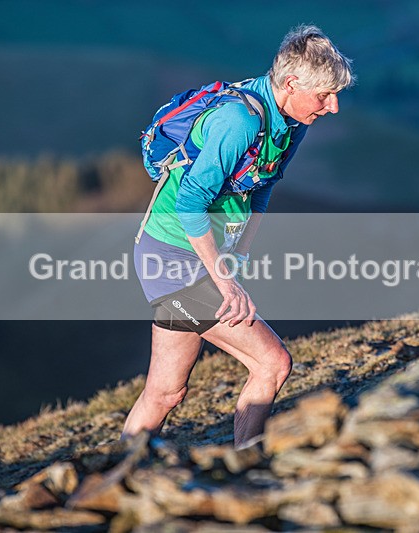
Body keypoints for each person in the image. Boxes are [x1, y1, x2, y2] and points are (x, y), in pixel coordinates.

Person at [121, 25, 355, 448]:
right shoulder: (239, 121)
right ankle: (247, 464)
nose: (333, 106)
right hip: (172, 257)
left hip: (195, 257)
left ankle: (113, 473)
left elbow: (263, 186)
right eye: (324, 95)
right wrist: (224, 279)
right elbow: (189, 203)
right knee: (273, 363)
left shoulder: (291, 120)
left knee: (166, 392)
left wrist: (238, 255)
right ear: (291, 83)